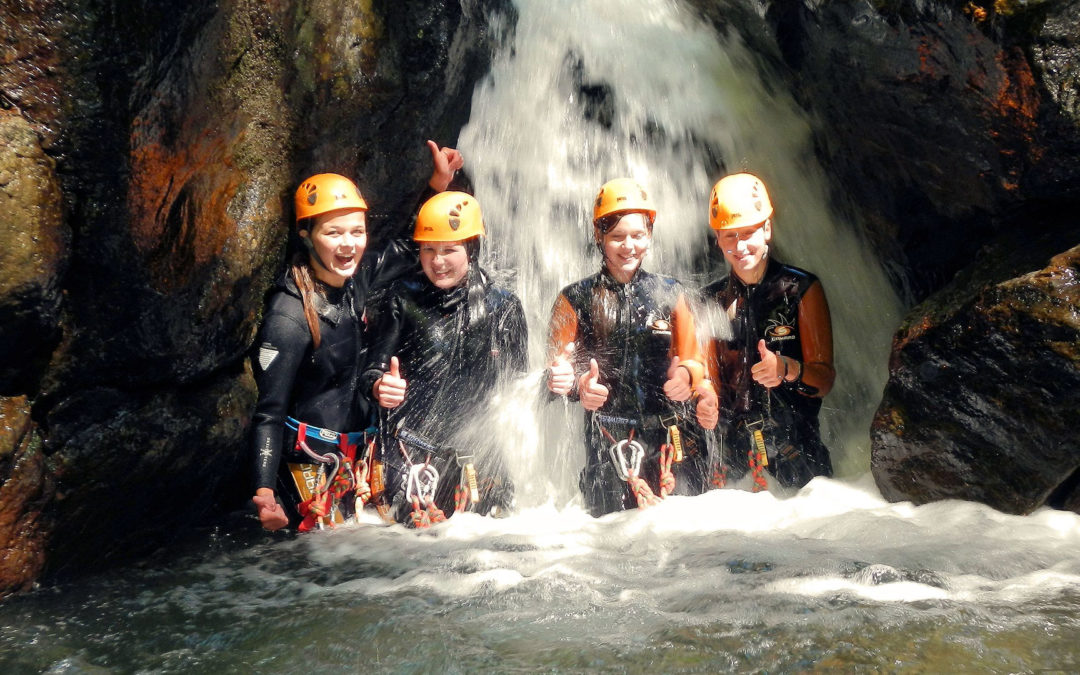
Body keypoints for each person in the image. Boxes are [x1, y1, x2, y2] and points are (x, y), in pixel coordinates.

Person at [250, 142, 464, 532]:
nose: (348, 244)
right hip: (309, 469)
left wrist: (437, 186)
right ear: (306, 234)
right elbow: (268, 413)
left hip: (361, 462)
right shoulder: (289, 317)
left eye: (357, 231)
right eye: (333, 233)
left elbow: (406, 245)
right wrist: (265, 495)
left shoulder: (353, 282)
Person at [545, 178, 719, 517]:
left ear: (650, 234)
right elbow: (556, 373)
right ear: (599, 236)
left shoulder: (671, 293)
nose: (629, 246)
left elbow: (697, 361)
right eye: (617, 237)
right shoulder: (574, 299)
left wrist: (687, 375)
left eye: (638, 236)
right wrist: (579, 385)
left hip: (672, 439)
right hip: (608, 443)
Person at [361, 191, 527, 527]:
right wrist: (380, 385)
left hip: (480, 462)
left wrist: (558, 384)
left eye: (449, 250)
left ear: (472, 249)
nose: (438, 262)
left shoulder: (504, 307)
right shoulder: (403, 299)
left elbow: (522, 388)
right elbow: (371, 371)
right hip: (411, 455)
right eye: (428, 250)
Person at [701, 172, 835, 490]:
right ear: (717, 239)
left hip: (796, 456)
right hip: (732, 464)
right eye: (729, 236)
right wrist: (703, 398)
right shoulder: (710, 299)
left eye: (748, 233)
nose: (740, 245)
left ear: (767, 229)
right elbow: (707, 376)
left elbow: (824, 379)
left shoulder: (800, 288)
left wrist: (786, 369)